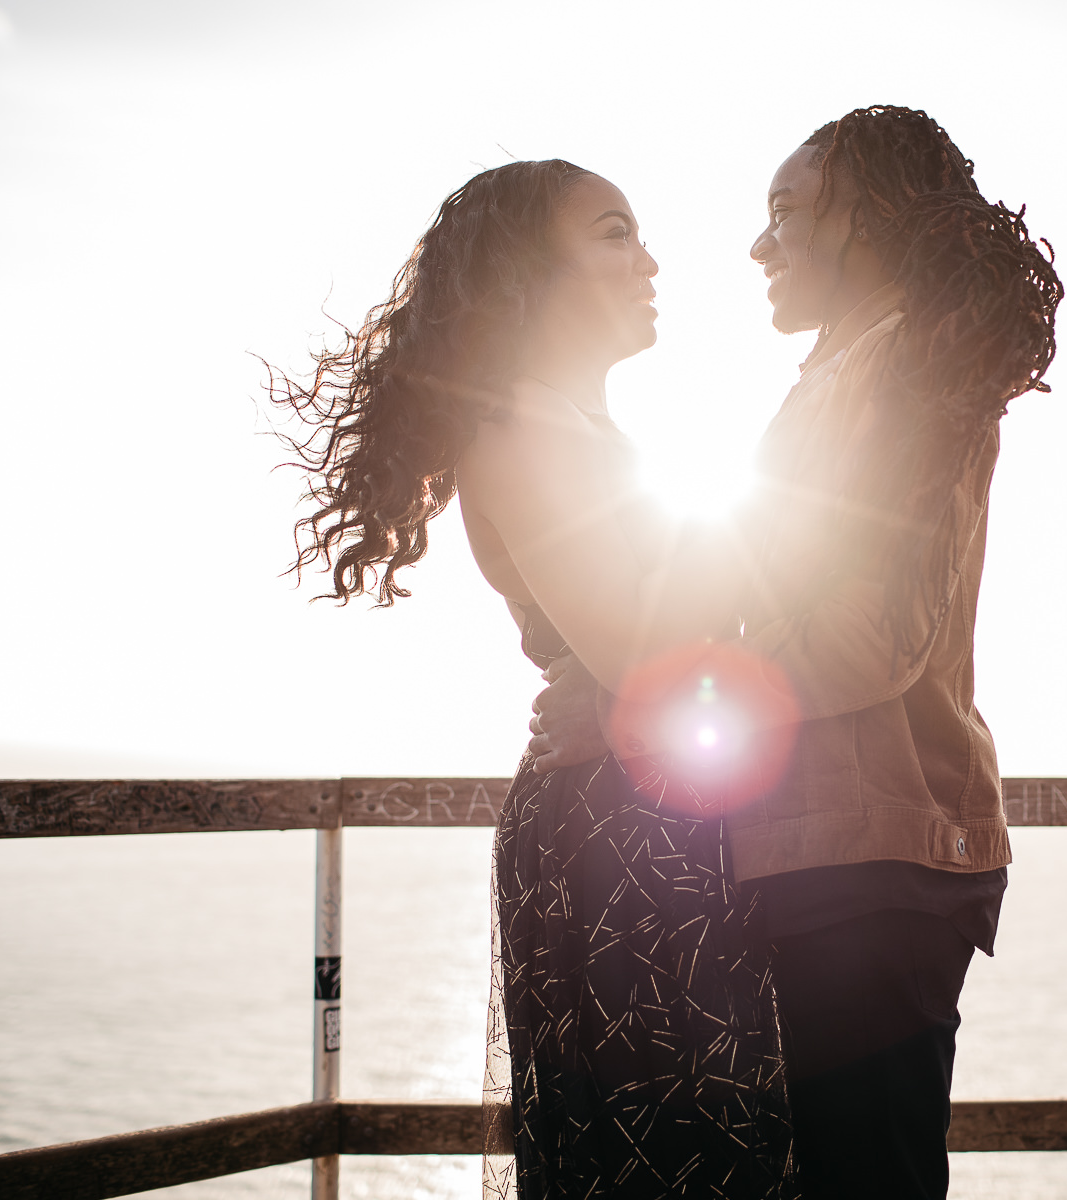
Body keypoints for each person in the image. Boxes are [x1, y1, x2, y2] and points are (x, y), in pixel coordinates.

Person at [526, 105, 1063, 1200]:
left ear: (867, 221)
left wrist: (660, 713)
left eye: (787, 213)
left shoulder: (903, 366)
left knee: (867, 1180)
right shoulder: (847, 372)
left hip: (873, 858)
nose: (759, 245)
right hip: (830, 850)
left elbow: (874, 636)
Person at [266, 160, 797, 1199]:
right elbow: (656, 657)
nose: (650, 260)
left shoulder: (589, 431)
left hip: (661, 817)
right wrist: (761, 510)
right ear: (528, 273)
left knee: (725, 1142)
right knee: (660, 1158)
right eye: (612, 233)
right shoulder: (515, 425)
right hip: (614, 842)